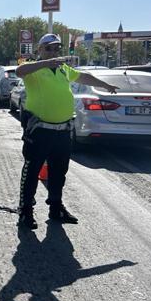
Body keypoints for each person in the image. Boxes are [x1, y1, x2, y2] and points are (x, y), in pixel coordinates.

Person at [15, 33, 118, 229]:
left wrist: (105, 85)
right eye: (48, 48)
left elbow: (83, 76)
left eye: (56, 48)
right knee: (31, 171)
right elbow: (20, 70)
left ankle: (56, 208)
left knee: (58, 172)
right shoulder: (34, 69)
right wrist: (46, 63)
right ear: (39, 50)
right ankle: (25, 211)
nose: (53, 52)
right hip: (40, 131)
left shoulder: (63, 69)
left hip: (63, 131)